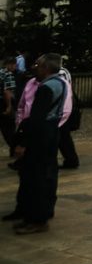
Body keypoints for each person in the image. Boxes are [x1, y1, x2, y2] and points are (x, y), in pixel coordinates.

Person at [4, 53, 65, 234]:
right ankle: (30, 215)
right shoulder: (58, 83)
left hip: (41, 136)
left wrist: (24, 143)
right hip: (48, 134)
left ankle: (38, 220)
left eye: (38, 64)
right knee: (34, 177)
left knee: (37, 178)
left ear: (46, 68)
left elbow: (37, 119)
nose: (34, 67)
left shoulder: (47, 87)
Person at [1, 58, 16, 157]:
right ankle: (15, 149)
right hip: (4, 103)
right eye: (15, 65)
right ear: (10, 65)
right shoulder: (8, 74)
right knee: (9, 128)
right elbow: (8, 92)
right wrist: (9, 106)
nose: (15, 68)